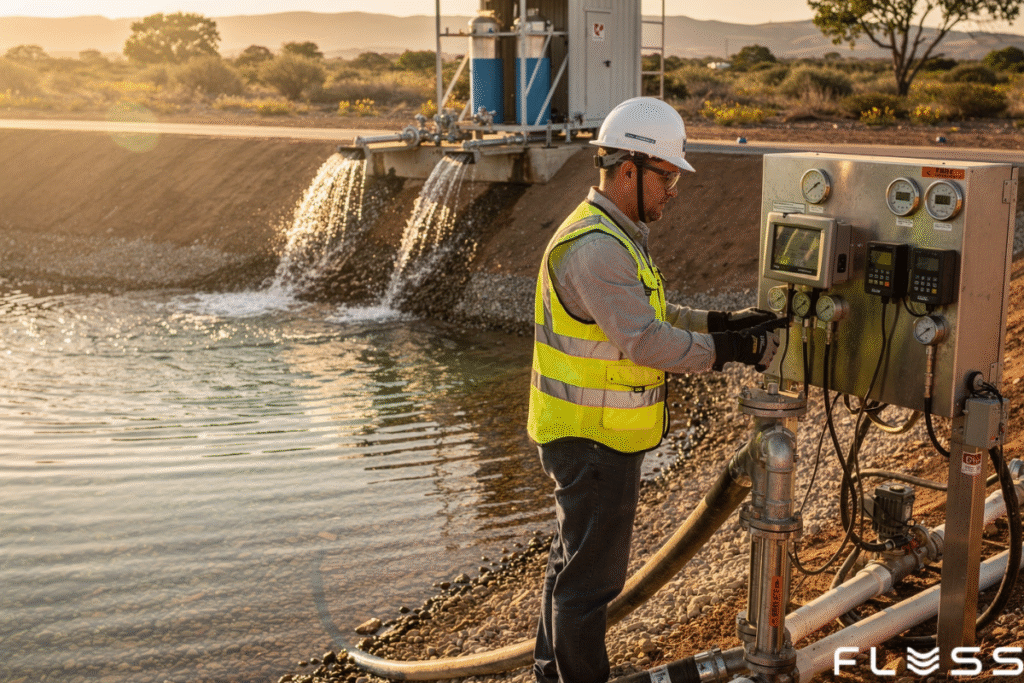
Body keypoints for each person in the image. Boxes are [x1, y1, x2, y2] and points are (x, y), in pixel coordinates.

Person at [527, 96, 785, 683]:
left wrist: (720, 323)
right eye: (667, 177)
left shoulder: (615, 235)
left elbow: (652, 315)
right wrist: (731, 351)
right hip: (593, 439)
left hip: (587, 434)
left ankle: (550, 673)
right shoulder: (596, 248)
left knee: (570, 566)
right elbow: (644, 341)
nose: (673, 191)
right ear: (628, 171)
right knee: (589, 586)